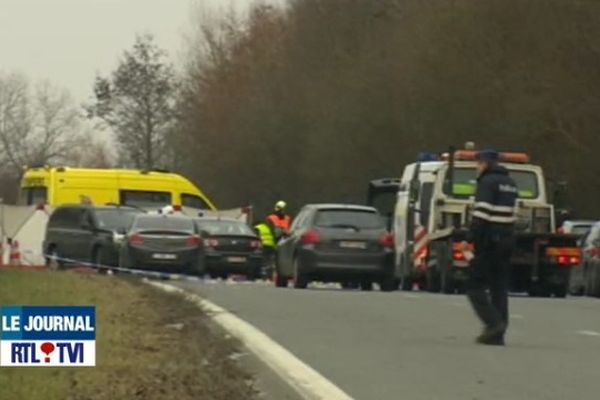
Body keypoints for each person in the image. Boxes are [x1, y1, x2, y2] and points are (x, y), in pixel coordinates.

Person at [463, 149, 517, 346]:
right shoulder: (510, 183)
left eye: (478, 163)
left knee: (474, 286)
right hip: (507, 239)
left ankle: (493, 324)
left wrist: (470, 237)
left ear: (484, 163)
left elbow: (482, 214)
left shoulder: (487, 182)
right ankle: (498, 334)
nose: (477, 168)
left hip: (489, 241)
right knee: (499, 287)